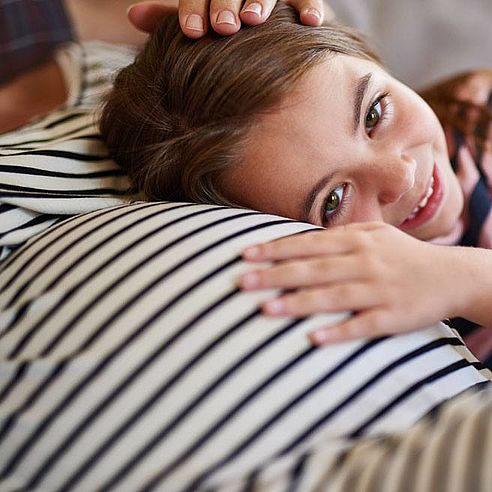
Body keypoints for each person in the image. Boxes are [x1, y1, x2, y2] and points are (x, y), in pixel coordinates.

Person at [100, 2, 492, 367]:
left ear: (368, 57)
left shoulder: (480, 115)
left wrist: (461, 278)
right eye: (333, 200)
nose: (401, 176)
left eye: (374, 113)